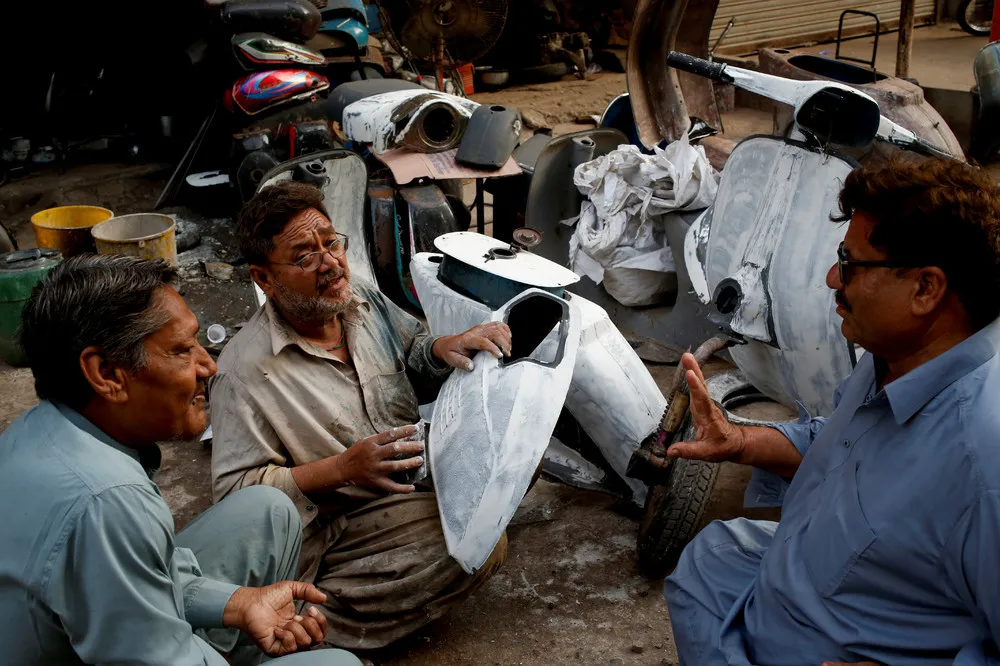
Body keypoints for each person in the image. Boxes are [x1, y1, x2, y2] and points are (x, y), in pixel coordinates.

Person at [664, 158, 1000, 666]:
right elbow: (847, 442)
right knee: (715, 554)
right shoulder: (899, 355)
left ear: (925, 290)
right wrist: (741, 442)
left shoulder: (983, 462)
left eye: (851, 263)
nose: (830, 278)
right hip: (801, 582)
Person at [0, 254, 360, 666]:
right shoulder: (108, 501)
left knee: (269, 508)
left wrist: (240, 604)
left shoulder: (42, 427)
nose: (209, 364)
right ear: (106, 373)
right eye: (182, 350)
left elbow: (149, 569)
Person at [210, 181, 512, 650]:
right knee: (479, 544)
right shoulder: (243, 373)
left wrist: (441, 347)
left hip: (411, 479)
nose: (330, 262)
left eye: (331, 242)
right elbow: (235, 496)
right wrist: (341, 470)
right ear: (263, 278)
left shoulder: (361, 302)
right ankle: (298, 633)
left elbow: (410, 349)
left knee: (511, 460)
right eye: (305, 256)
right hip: (338, 528)